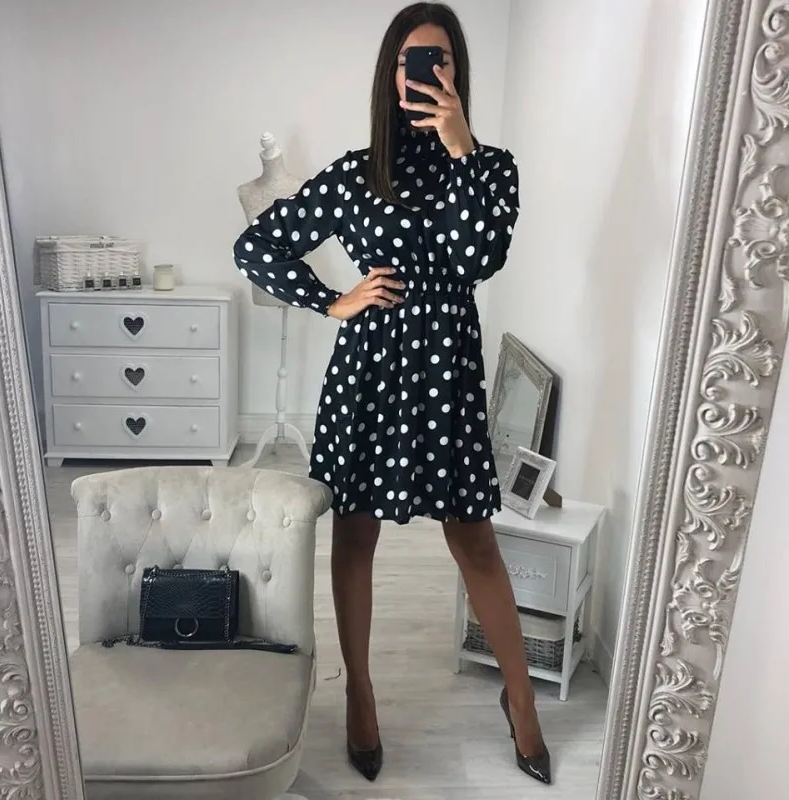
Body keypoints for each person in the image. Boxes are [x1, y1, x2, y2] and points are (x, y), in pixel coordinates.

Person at [233, 1, 551, 786]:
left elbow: (479, 258)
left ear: (457, 72)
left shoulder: (491, 166)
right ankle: (361, 693)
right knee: (357, 534)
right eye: (415, 62)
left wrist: (461, 146)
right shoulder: (355, 174)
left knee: (474, 538)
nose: (427, 74)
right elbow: (257, 245)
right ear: (391, 77)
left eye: (441, 60)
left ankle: (521, 698)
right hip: (369, 373)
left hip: (448, 374)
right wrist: (332, 300)